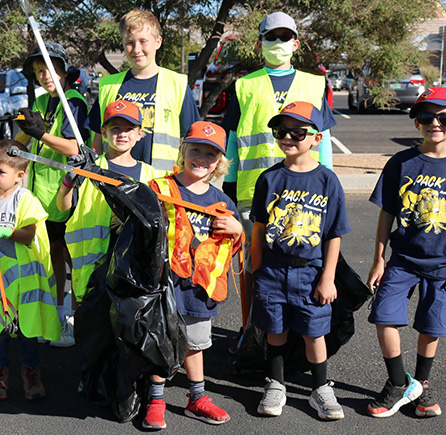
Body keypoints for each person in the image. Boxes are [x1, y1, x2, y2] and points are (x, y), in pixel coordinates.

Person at [366, 87, 446, 418]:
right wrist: (378, 259)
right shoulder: (401, 163)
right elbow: (386, 213)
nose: (436, 123)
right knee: (384, 315)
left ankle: (422, 382)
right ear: (417, 123)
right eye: (426, 117)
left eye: (445, 117)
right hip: (403, 260)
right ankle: (397, 383)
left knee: (431, 326)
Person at [221, 11, 337, 319]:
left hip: (305, 193)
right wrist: (229, 186)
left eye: (284, 36)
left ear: (295, 43)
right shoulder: (244, 86)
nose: (277, 42)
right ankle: (249, 331)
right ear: (260, 44)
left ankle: (292, 334)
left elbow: (322, 139)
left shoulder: (314, 84)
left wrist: (328, 182)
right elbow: (232, 140)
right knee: (253, 265)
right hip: (254, 193)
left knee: (302, 263)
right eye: (270, 37)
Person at [249, 101, 350, 420]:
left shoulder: (328, 181)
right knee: (275, 331)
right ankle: (276, 384)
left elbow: (334, 234)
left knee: (313, 332)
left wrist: (328, 277)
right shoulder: (269, 179)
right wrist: (258, 270)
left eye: (298, 131)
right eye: (282, 131)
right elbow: (258, 230)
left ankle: (320, 388)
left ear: (317, 138)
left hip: (311, 273)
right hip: (273, 272)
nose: (289, 137)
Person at [143, 121, 243, 429]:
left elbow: (231, 251)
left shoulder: (223, 202)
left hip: (199, 290)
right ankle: (156, 399)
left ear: (220, 163)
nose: (201, 158)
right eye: (196, 149)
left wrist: (238, 230)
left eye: (211, 153)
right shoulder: (161, 189)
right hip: (165, 286)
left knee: (195, 344)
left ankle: (197, 398)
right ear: (184, 151)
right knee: (162, 342)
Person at [0, 140, 60, 401]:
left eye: (0, 172)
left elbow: (30, 233)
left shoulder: (26, 200)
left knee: (27, 331)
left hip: (24, 284)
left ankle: (31, 372)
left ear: (20, 175)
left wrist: (10, 231)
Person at [17, 43, 90, 348]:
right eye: (39, 71)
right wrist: (17, 137)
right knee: (54, 255)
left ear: (63, 69)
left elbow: (75, 147)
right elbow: (23, 142)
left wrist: (40, 134)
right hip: (43, 197)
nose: (45, 75)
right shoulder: (46, 102)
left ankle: (75, 319)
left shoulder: (73, 101)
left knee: (73, 258)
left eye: (50, 68)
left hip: (67, 191)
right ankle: (58, 313)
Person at [58, 100, 162, 305]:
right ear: (103, 132)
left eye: (129, 128)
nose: (122, 134)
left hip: (133, 266)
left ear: (141, 133)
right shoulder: (89, 168)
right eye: (115, 128)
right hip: (94, 265)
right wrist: (69, 180)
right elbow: (62, 207)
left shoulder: (152, 176)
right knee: (93, 327)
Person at [85, 9, 200, 172]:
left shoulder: (177, 85)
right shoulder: (108, 86)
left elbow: (189, 140)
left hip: (161, 183)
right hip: (113, 183)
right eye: (130, 42)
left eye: (143, 41)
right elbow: (97, 141)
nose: (136, 49)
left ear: (158, 42)